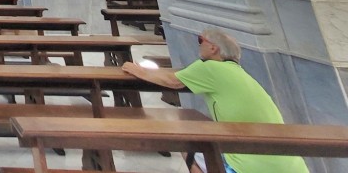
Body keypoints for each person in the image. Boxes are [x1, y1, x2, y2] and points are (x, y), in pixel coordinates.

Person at [122, 28, 308, 173]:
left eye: (200, 40)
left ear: (213, 48)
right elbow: (177, 76)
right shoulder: (236, 72)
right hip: (289, 162)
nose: (198, 45)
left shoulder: (211, 68)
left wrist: (135, 69)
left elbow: (173, 81)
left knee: (184, 143)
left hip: (250, 166)